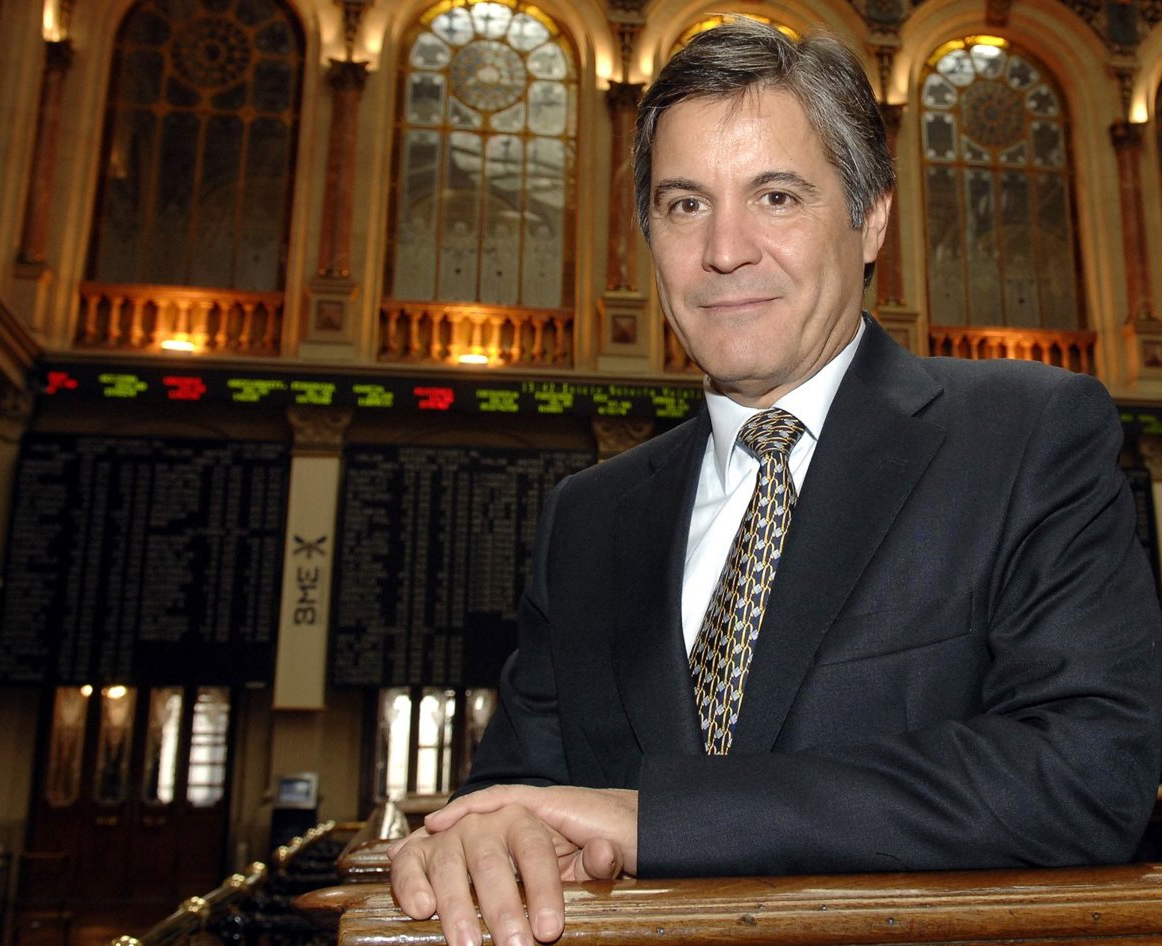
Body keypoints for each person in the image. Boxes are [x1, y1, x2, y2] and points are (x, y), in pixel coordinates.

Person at [388, 18, 1162, 946]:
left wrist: (661, 821)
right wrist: (482, 838)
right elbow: (517, 795)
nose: (725, 250)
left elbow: (1087, 772)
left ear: (872, 218)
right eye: (684, 204)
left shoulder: (1024, 436)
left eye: (777, 196)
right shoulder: (587, 518)